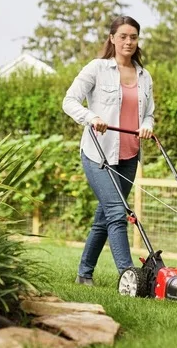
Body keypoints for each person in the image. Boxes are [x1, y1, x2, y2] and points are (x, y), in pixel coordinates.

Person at [62, 15, 155, 286]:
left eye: (133, 37)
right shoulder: (97, 68)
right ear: (112, 38)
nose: (128, 42)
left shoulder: (144, 75)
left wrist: (147, 126)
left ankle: (84, 274)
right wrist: (91, 117)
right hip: (98, 154)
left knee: (104, 216)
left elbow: (149, 113)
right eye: (123, 36)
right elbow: (69, 101)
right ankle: (129, 277)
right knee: (116, 213)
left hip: (129, 156)